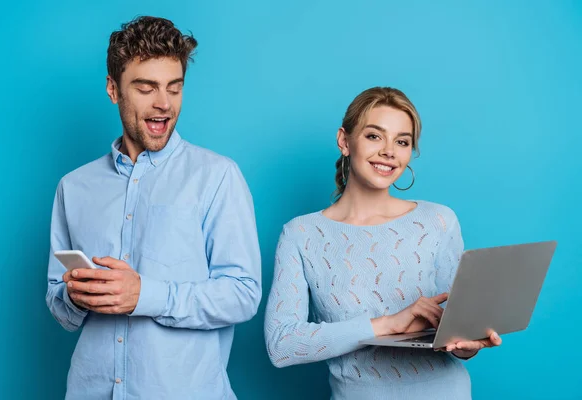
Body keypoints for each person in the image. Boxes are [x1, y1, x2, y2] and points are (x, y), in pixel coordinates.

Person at [46, 16, 261, 400]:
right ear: (113, 89)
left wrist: (144, 295)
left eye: (174, 89)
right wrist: (74, 297)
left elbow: (243, 294)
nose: (164, 104)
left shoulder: (217, 177)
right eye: (146, 88)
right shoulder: (73, 187)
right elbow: (59, 307)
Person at [264, 87, 501, 399]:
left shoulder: (438, 221)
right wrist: (388, 323)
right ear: (344, 141)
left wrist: (468, 346)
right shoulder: (301, 234)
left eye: (402, 141)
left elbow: (457, 333)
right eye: (375, 136)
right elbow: (282, 345)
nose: (390, 151)